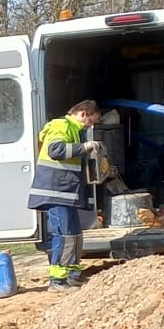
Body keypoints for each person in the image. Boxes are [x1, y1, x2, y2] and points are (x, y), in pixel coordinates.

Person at [27, 98, 102, 292]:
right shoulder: (61, 125)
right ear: (83, 113)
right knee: (64, 235)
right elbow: (55, 150)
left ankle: (71, 275)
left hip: (65, 193)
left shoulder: (75, 131)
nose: (90, 126)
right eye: (91, 121)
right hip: (55, 192)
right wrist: (84, 147)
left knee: (74, 234)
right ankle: (57, 281)